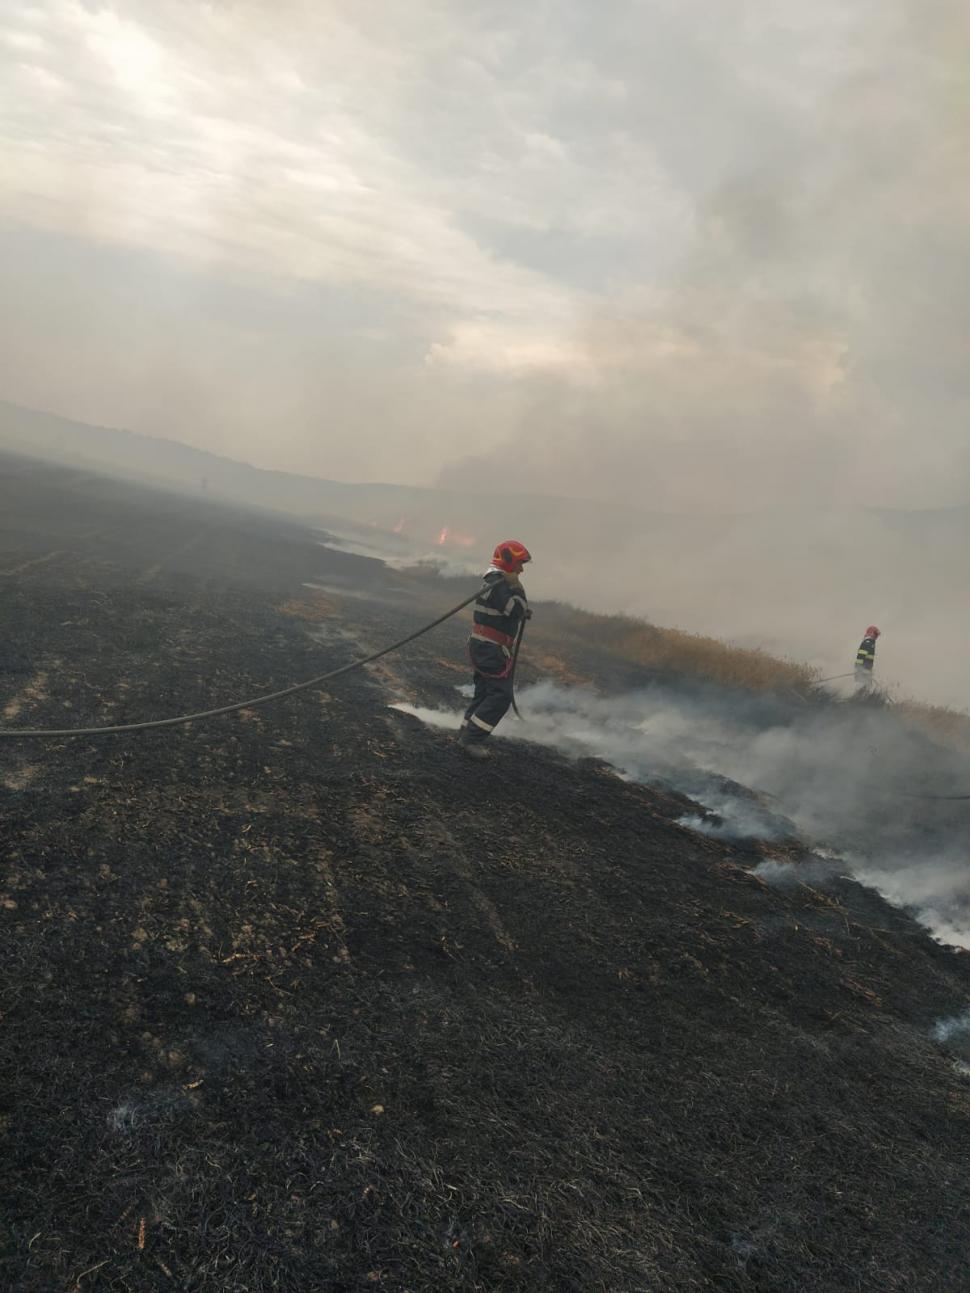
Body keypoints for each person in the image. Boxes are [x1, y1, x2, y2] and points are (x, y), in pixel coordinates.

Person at [457, 541, 532, 759]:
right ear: (507, 561)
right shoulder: (498, 584)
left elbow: (512, 610)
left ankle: (465, 732)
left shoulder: (497, 583)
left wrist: (519, 603)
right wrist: (518, 590)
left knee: (484, 693)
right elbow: (514, 609)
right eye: (519, 564)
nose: (521, 569)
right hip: (490, 649)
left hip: (486, 647)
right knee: (500, 696)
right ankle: (470, 740)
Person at [854, 625, 880, 690]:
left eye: (877, 635)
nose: (876, 636)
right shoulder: (868, 643)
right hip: (863, 672)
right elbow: (860, 658)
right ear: (871, 633)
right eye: (875, 634)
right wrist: (861, 670)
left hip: (866, 671)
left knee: (867, 689)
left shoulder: (871, 643)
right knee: (862, 689)